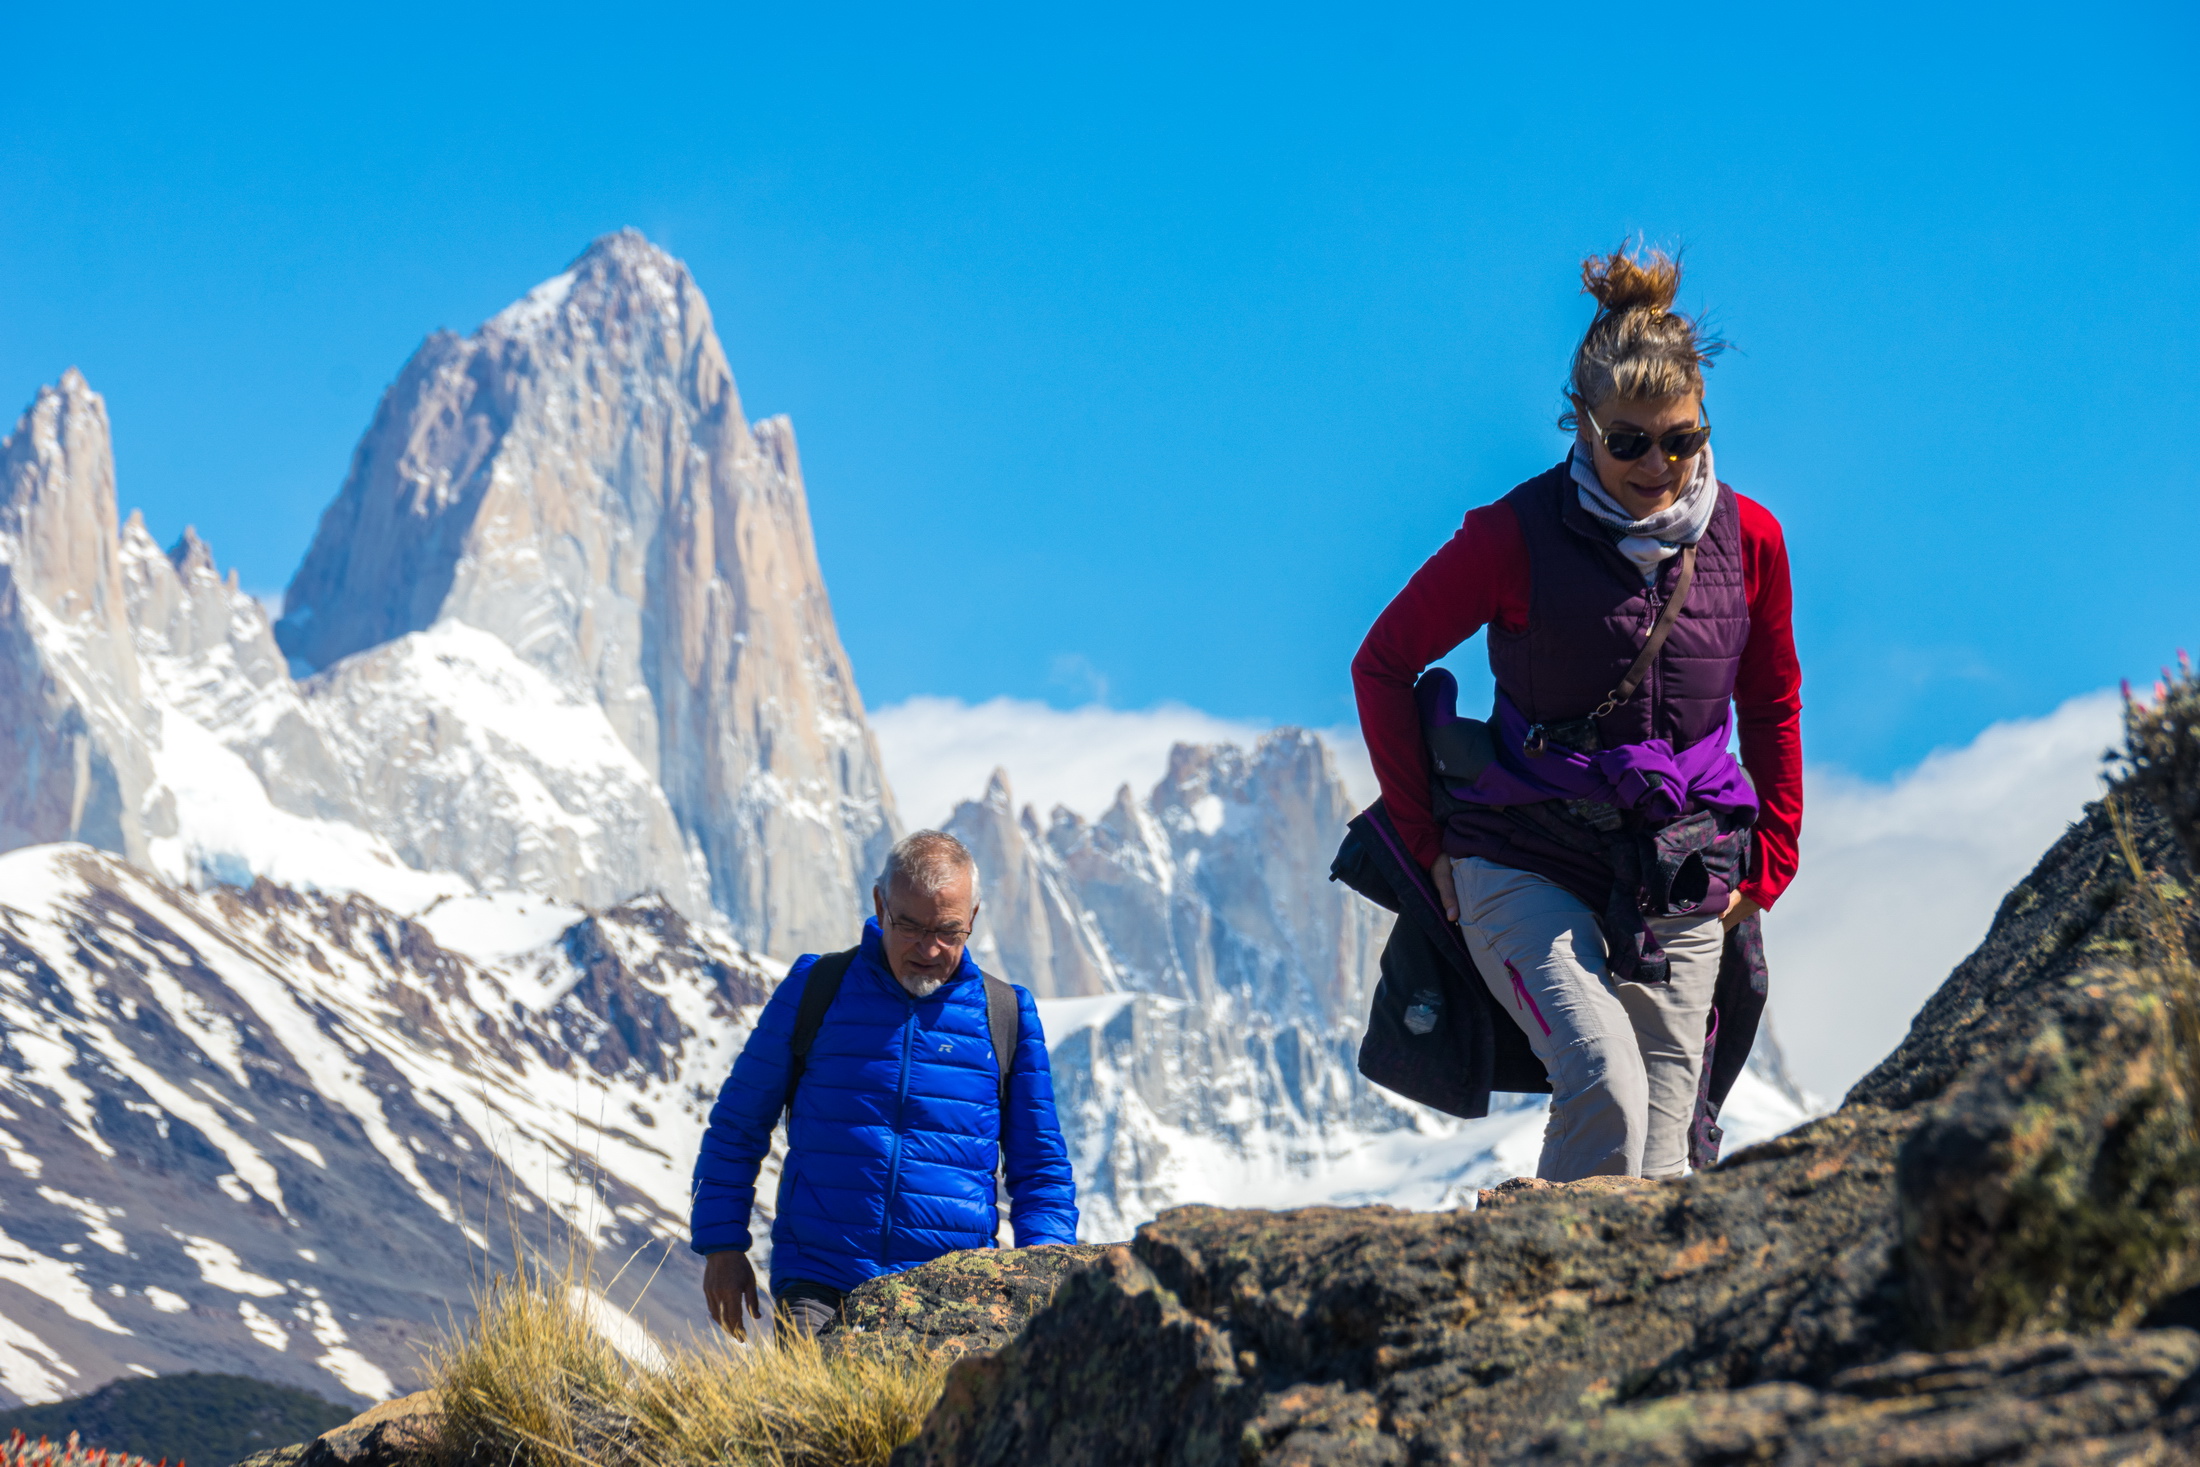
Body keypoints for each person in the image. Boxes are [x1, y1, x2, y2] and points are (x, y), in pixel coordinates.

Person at [1350, 243, 1802, 1183]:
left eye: (1679, 439)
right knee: (1602, 1082)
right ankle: (1524, 1308)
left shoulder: (1750, 538)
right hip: (1519, 851)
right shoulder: (1511, 535)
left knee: (1667, 1151)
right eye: (1629, 440)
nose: (1657, 464)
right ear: (1582, 422)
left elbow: (1771, 697)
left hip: (1676, 864)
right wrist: (1422, 836)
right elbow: (1384, 663)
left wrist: (1775, 856)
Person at [689, 830, 1078, 1338]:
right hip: (821, 1283)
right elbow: (737, 1125)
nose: (929, 948)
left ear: (973, 920)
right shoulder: (817, 988)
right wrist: (722, 1246)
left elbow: (1041, 1168)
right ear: (879, 904)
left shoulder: (1005, 1014)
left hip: (953, 1298)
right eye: (910, 925)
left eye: (949, 931)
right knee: (821, 1416)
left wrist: (1045, 1279)